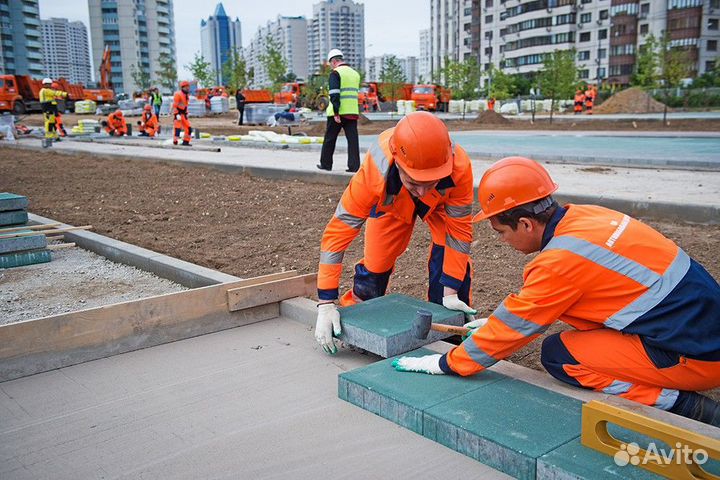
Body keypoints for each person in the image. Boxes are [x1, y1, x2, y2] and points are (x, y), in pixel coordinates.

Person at [393, 156, 720, 427]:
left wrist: (446, 364)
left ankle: (682, 405)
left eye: (501, 231)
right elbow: (572, 296)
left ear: (525, 224)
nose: (501, 241)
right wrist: (496, 324)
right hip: (700, 330)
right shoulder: (588, 217)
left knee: (561, 356)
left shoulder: (559, 262)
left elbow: (521, 321)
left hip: (695, 358)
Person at [314, 111, 476, 354]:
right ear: (397, 163)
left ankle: (449, 334)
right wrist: (326, 302)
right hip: (391, 206)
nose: (421, 192)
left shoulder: (459, 166)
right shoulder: (375, 170)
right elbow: (339, 230)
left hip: (441, 205)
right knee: (375, 266)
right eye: (414, 183)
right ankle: (357, 323)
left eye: (428, 183)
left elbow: (459, 233)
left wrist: (450, 289)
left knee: (451, 270)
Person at [317, 48, 360, 173]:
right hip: (352, 112)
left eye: (331, 63)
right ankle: (354, 166)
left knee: (330, 138)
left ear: (334, 61)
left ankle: (326, 164)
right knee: (352, 140)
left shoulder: (335, 73)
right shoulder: (354, 74)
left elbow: (334, 94)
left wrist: (336, 112)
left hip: (338, 113)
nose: (331, 66)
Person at [38, 78, 67, 142]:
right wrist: (65, 94)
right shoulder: (46, 91)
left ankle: (55, 136)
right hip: (48, 109)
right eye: (50, 84)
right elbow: (55, 93)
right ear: (45, 84)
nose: (50, 85)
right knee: (50, 124)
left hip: (50, 109)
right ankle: (49, 137)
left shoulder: (43, 91)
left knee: (52, 123)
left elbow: (53, 96)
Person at [172, 81, 192, 146]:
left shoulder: (186, 95)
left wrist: (186, 113)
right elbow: (174, 105)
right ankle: (175, 141)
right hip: (178, 114)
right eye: (186, 87)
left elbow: (185, 105)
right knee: (177, 128)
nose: (188, 88)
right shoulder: (178, 94)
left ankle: (186, 142)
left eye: (188, 87)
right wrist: (176, 114)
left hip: (184, 114)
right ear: (183, 87)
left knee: (188, 128)